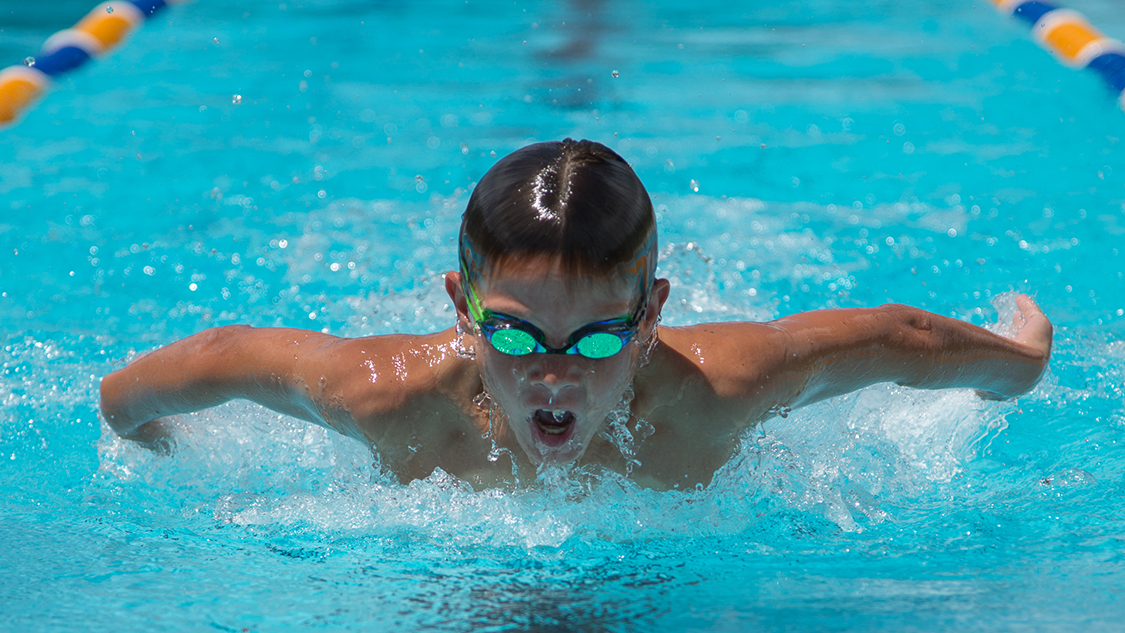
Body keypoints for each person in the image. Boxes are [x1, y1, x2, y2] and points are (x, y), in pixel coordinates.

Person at [99, 139, 1054, 490]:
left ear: (649, 321)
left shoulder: (715, 391)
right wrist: (139, 433)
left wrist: (1020, 364)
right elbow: (207, 360)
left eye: (597, 337)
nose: (553, 374)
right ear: (461, 311)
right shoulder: (385, 398)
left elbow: (896, 337)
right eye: (514, 332)